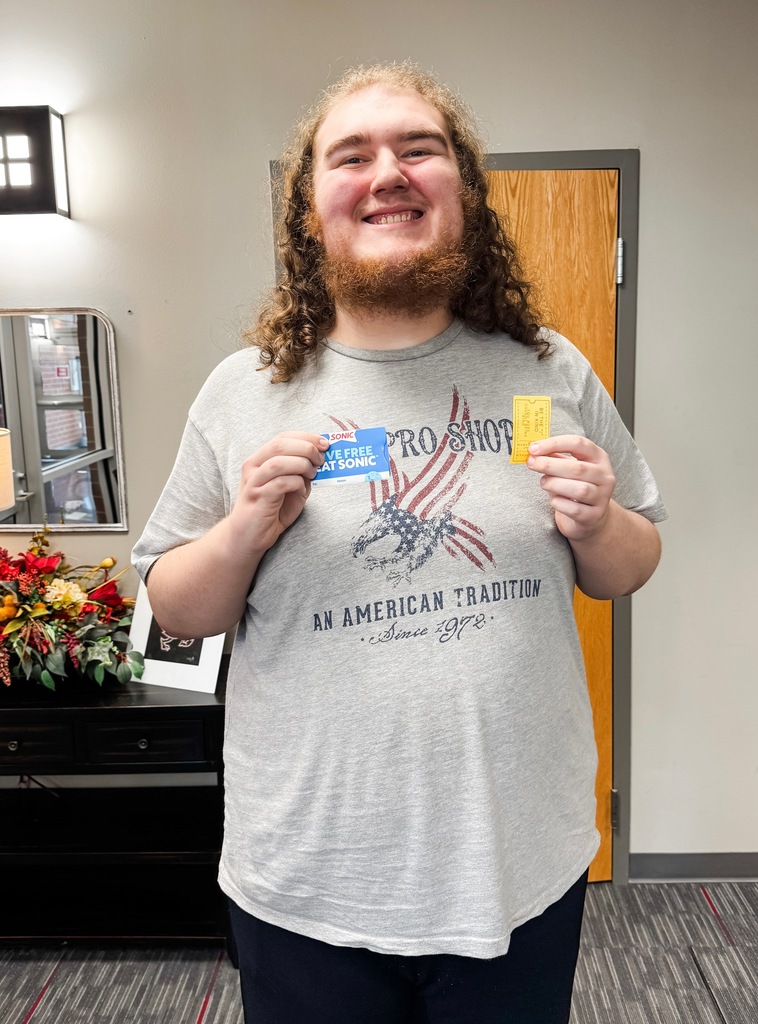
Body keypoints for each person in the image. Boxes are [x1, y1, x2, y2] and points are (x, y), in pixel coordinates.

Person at [133, 61, 666, 1024]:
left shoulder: (548, 367)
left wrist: (601, 520)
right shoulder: (244, 391)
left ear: (464, 191)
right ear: (309, 211)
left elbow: (632, 564)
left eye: (420, 148)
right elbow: (175, 608)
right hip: (310, 879)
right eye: (351, 156)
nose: (388, 173)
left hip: (519, 865)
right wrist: (242, 534)